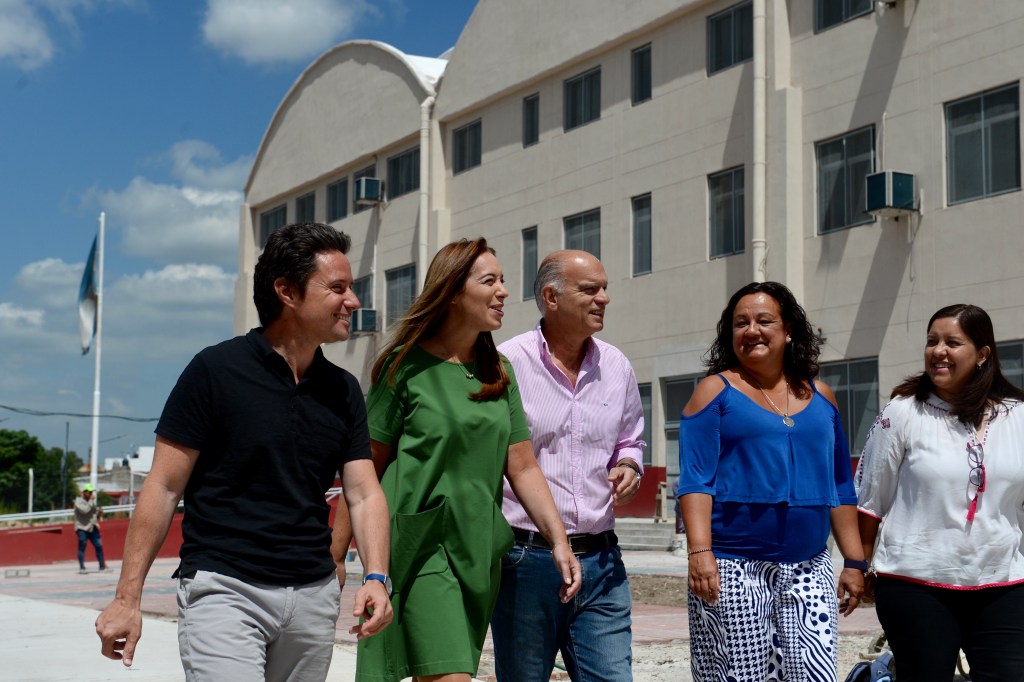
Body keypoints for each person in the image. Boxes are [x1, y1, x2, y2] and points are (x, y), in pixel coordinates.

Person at [94, 222, 393, 682]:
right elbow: (164, 486)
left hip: (312, 598)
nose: (352, 301)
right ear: (287, 292)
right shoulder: (214, 371)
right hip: (225, 590)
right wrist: (126, 597)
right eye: (337, 288)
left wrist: (376, 576)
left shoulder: (344, 390)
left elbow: (364, 493)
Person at [347, 238, 582, 682]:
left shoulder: (499, 371)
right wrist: (336, 556)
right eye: (489, 281)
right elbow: (364, 470)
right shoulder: (404, 367)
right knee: (450, 675)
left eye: (503, 281)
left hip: (476, 549)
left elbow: (523, 466)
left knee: (443, 671)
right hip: (422, 546)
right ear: (453, 291)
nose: (503, 291)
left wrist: (559, 541)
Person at [678, 281, 866, 682]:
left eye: (764, 321)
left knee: (814, 674)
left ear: (788, 330)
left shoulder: (823, 396)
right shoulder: (715, 391)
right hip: (733, 566)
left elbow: (840, 484)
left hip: (810, 565)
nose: (752, 331)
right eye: (740, 323)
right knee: (740, 676)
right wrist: (699, 552)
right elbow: (696, 480)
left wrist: (853, 562)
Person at [490, 249, 646, 682]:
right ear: (551, 297)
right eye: (590, 289)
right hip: (526, 561)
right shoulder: (506, 364)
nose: (604, 298)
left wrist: (630, 465)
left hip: (601, 562)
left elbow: (631, 439)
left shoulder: (616, 366)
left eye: (605, 289)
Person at [856, 304, 1024, 681]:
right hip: (915, 585)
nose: (938, 351)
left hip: (1004, 584)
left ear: (983, 354)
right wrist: (858, 566)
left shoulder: (1018, 416)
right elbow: (869, 501)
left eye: (952, 342)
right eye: (932, 341)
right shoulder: (903, 412)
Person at [74, 483, 107, 573]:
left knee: (99, 545)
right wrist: (91, 501)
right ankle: (82, 568)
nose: (91, 494)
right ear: (84, 492)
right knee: (82, 547)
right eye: (89, 492)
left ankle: (102, 566)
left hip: (92, 527)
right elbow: (85, 510)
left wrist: (98, 511)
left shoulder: (91, 502)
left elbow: (93, 513)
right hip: (82, 528)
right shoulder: (78, 501)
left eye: (92, 492)